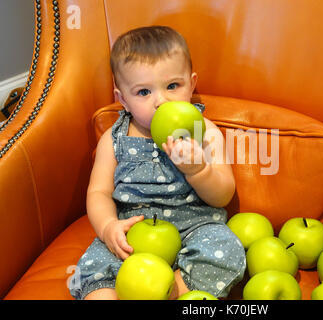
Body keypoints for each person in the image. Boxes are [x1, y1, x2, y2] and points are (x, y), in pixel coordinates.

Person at [69, 26, 246, 300]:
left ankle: (172, 291)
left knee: (227, 250)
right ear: (122, 99)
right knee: (93, 270)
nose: (161, 101)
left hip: (194, 228)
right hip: (132, 232)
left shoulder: (203, 132)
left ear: (192, 83)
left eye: (173, 86)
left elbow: (223, 195)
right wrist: (108, 227)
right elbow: (98, 192)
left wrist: (199, 170)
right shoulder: (113, 139)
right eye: (143, 92)